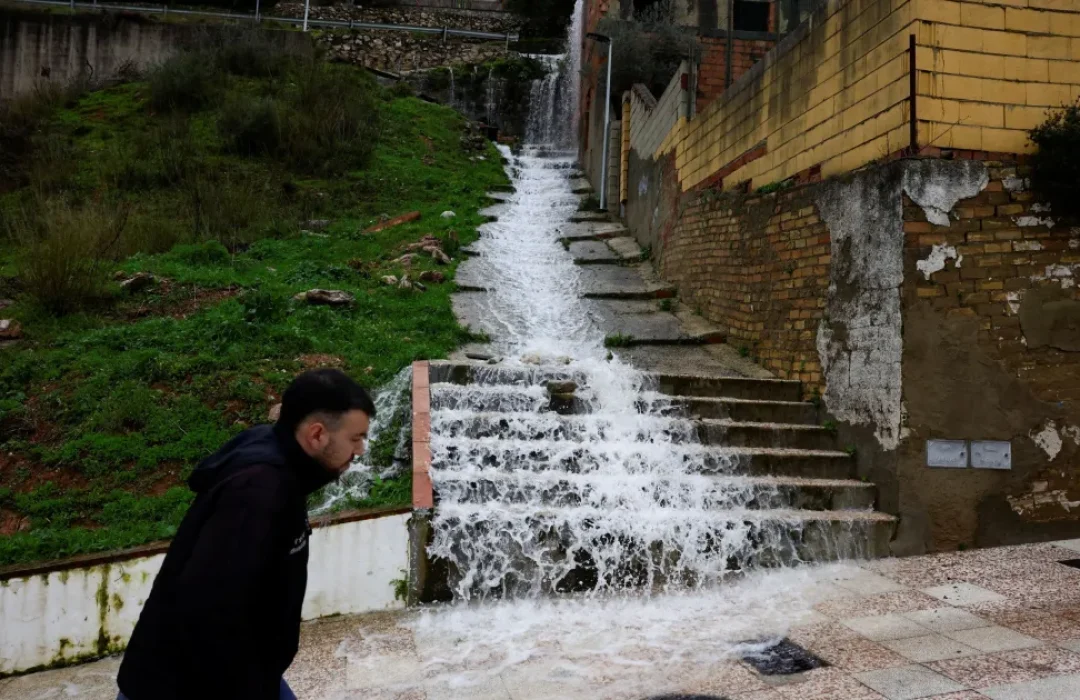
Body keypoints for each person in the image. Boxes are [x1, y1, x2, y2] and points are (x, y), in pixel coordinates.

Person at [117, 369, 376, 700]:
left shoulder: (279, 460)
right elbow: (207, 612)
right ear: (317, 435)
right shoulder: (257, 493)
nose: (361, 450)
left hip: (242, 669)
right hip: (190, 684)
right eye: (355, 439)